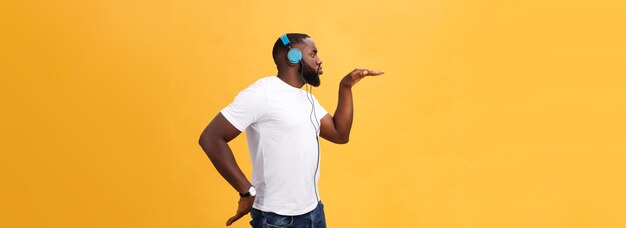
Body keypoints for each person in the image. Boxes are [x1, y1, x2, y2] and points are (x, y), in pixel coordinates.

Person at [198, 33, 383, 227]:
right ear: (293, 57)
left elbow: (340, 134)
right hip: (277, 218)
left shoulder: (307, 99)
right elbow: (210, 138)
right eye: (313, 54)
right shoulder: (262, 93)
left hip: (314, 211)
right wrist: (246, 191)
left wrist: (345, 87)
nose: (320, 60)